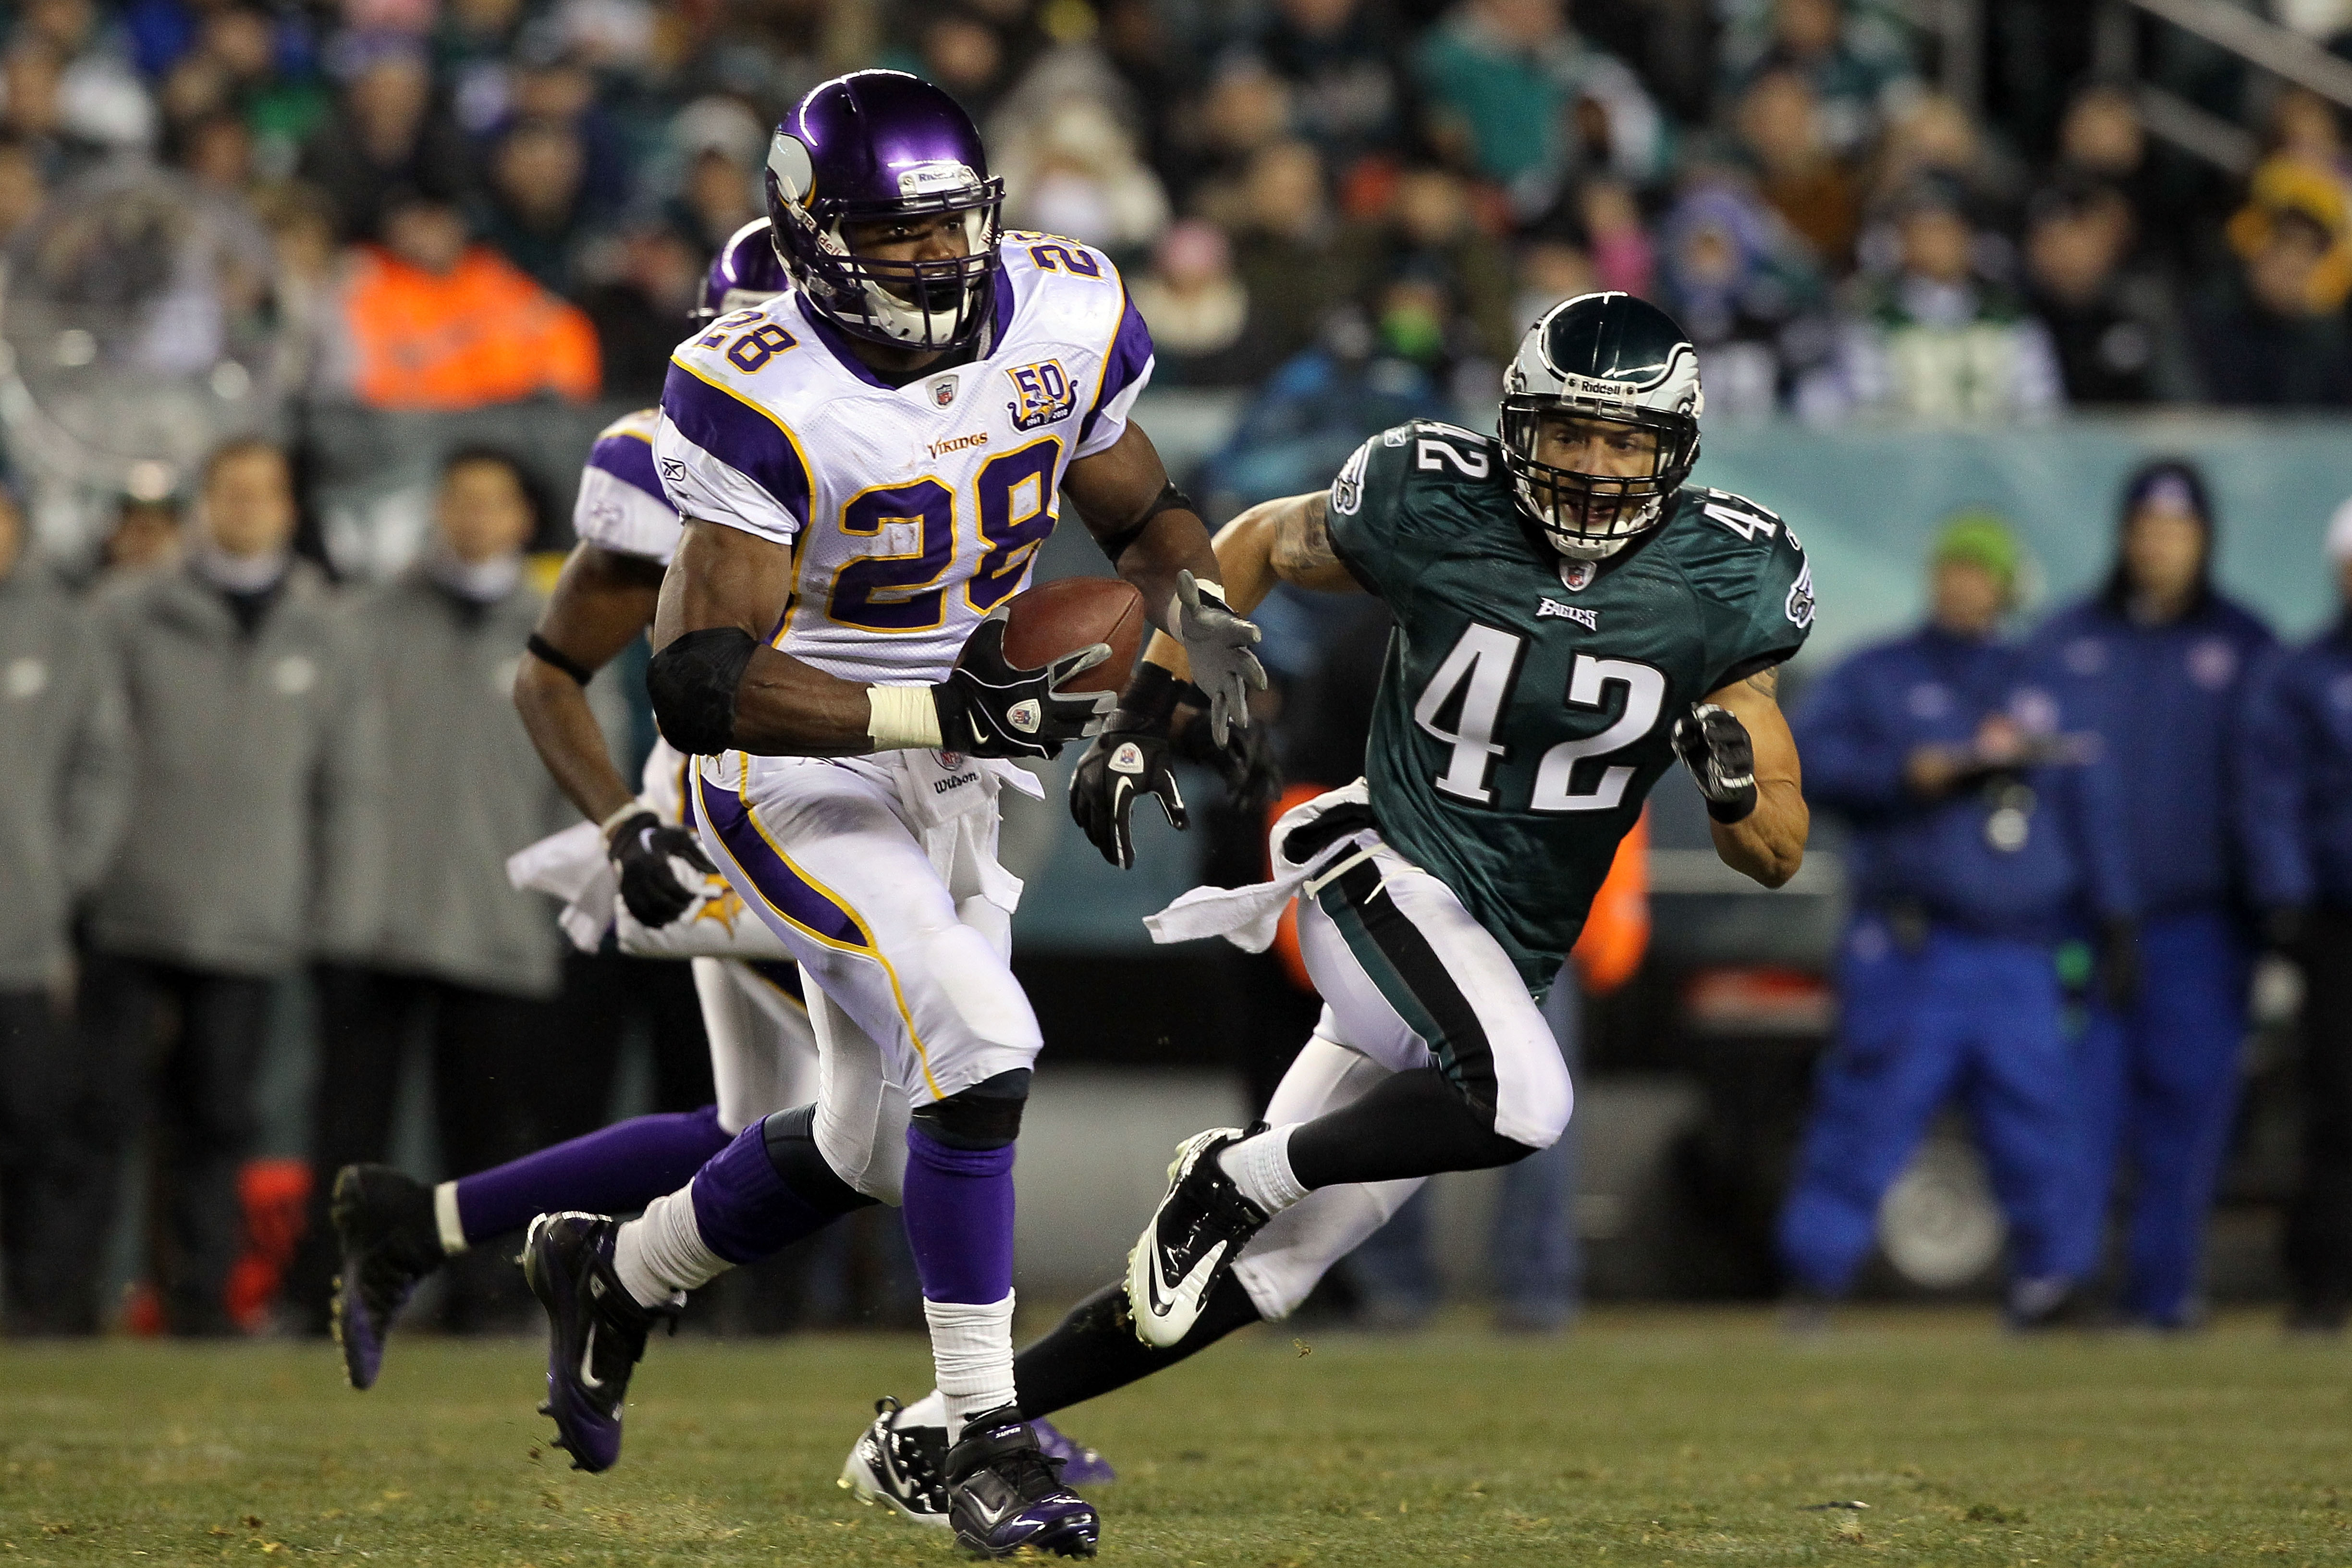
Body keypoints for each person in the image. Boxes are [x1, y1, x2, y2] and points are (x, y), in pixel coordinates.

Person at [843, 291, 1812, 1515]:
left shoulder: (1731, 576)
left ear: (1673, 451)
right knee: (1524, 1100)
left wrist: (1729, 785)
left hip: (1504, 951)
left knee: (1263, 1276)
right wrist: (1154, 707)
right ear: (1521, 423)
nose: (1594, 464)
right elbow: (1247, 540)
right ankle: (1236, 1175)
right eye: (1571, 431)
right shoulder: (1431, 493)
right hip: (1383, 866)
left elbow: (1776, 852)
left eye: (1626, 442)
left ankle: (942, 1437)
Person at [511, 73, 1262, 1562]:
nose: (932, 259)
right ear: (808, 234)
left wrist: (1195, 636)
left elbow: (1144, 519)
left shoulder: (1064, 305)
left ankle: (619, 1275)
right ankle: (972, 1440)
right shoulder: (752, 375)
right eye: (889, 233)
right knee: (981, 1044)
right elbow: (702, 684)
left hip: (966, 757)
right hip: (797, 763)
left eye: (947, 226)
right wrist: (940, 713)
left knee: (867, 1140)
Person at [1777, 514, 2132, 1326]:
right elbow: (1809, 763)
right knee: (1867, 1115)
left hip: (2022, 948)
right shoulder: (1879, 675)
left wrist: (2116, 915)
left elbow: (2090, 805)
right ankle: (1814, 1278)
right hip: (1913, 943)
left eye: (1982, 572)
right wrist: (1906, 774)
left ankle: (2054, 1282)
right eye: (1954, 568)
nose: (1965, 585)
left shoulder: (2044, 684)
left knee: (2042, 1122)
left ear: (2007, 587)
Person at [78, 439, 384, 1336]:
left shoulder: (330, 628)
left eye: (265, 492)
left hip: (255, 915)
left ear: (291, 508)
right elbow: (88, 761)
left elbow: (352, 786)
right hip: (129, 906)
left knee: (220, 1121)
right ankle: (66, 1298)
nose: (248, 508)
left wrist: (343, 919)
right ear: (203, 503)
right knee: (97, 1117)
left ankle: (202, 1305)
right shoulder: (125, 612)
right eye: (231, 491)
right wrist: (82, 884)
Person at [294, 448, 576, 1335]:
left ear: (525, 521)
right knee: (350, 1132)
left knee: (488, 1142)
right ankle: (331, 1298)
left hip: (497, 927)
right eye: (460, 500)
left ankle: (486, 1304)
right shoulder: (362, 622)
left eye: (494, 504)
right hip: (368, 921)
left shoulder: (561, 635)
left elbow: (583, 789)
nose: (475, 520)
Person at [2029, 460, 2274, 1329]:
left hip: (2204, 926)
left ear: (2204, 539)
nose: (2159, 545)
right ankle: (2064, 1282)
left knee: (2187, 1116)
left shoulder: (2246, 647)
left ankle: (2164, 1295)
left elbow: (2268, 786)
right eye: (2145, 528)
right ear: (2124, 536)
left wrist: (2273, 901)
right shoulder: (2069, 643)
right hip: (2086, 923)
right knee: (2075, 1107)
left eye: (2177, 529)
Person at [0, 485, 132, 1335]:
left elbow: (102, 766)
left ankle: (36, 1307)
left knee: (30, 1128)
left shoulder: (64, 625)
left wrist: (58, 876)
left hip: (19, 936)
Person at [2236, 499, 2352, 1332]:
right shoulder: (2306, 675)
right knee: (2335, 1105)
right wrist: (2290, 900)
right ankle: (2321, 1285)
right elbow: (2272, 794)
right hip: (2339, 920)